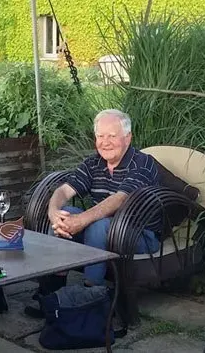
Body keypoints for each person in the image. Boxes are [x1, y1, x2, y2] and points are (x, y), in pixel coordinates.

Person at [25, 109, 161, 319]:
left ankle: (92, 296)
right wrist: (54, 213)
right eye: (100, 136)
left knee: (99, 225)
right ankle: (53, 290)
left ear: (127, 138)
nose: (105, 142)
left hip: (139, 235)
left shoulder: (143, 163)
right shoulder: (94, 163)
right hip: (102, 229)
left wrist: (82, 220)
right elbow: (63, 190)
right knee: (66, 213)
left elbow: (120, 199)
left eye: (112, 136)